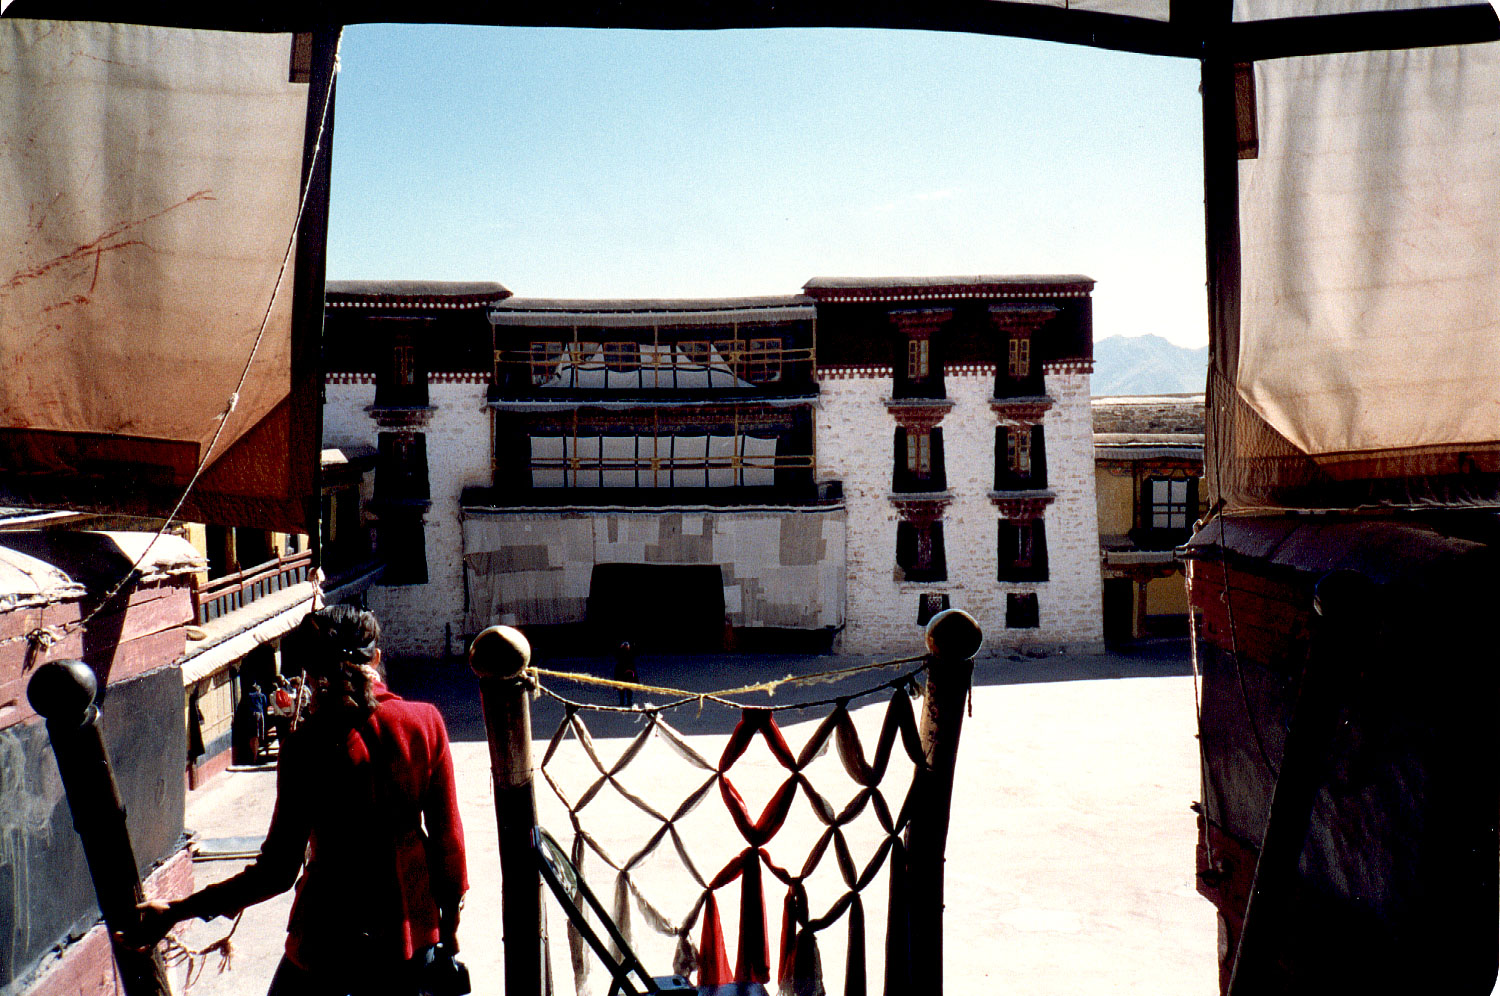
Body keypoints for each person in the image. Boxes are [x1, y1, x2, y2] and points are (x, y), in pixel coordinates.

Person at [131, 606, 468, 996]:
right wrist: (450, 931)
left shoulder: (304, 745)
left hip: (326, 944)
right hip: (411, 939)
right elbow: (449, 847)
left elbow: (277, 871)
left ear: (312, 670)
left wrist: (177, 911)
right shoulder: (424, 722)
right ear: (375, 657)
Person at [612, 639, 638, 706]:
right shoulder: (621, 655)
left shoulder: (629, 656)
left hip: (627, 672)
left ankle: (627, 702)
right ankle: (623, 702)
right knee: (622, 688)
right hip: (622, 672)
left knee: (627, 688)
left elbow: (633, 669)